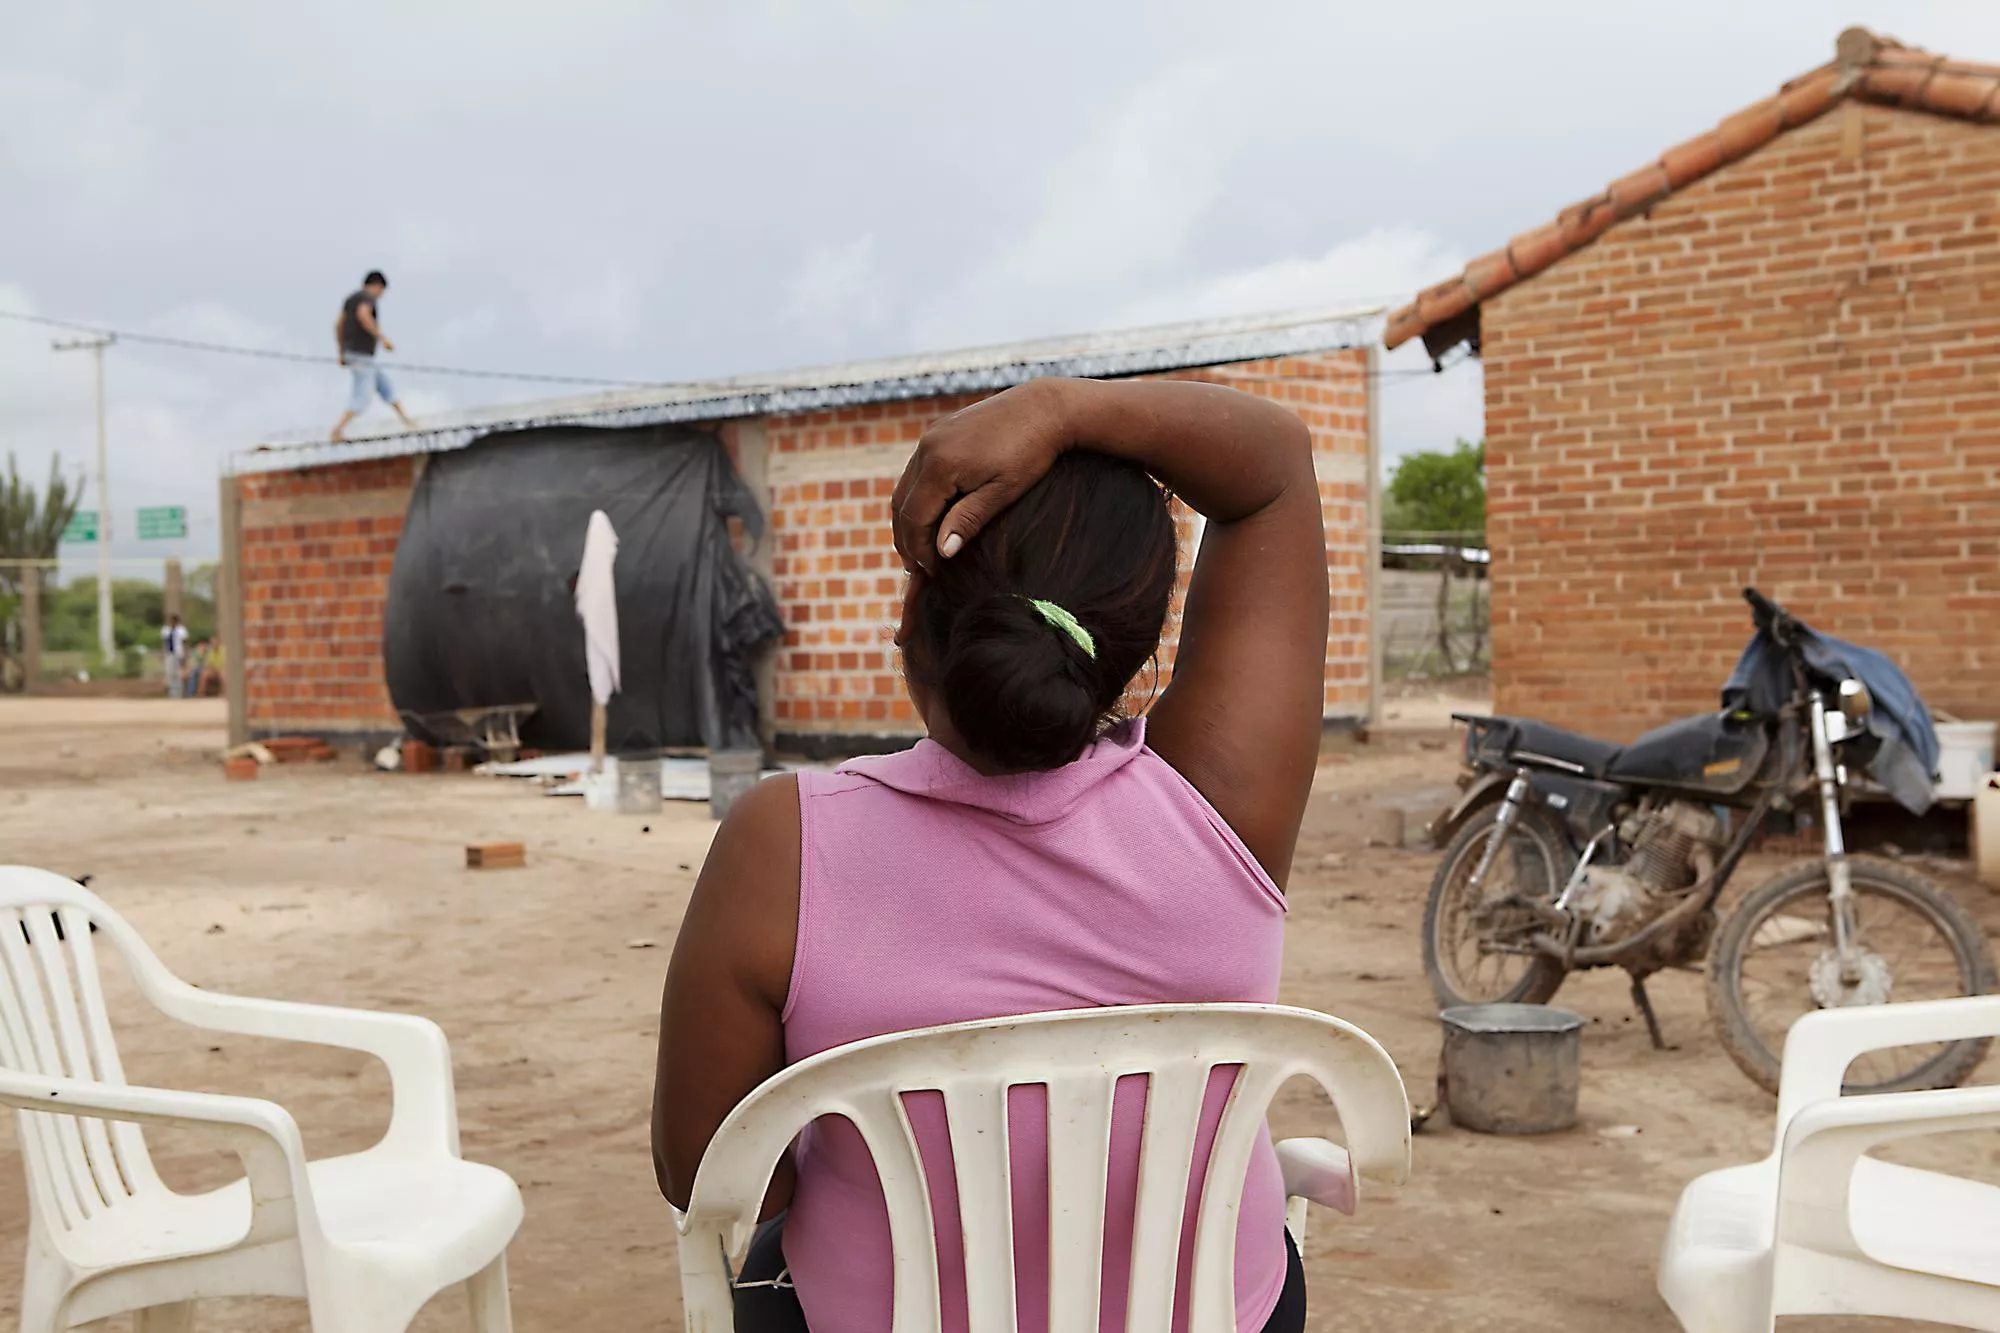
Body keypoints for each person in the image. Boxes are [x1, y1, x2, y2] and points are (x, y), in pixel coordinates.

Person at [654, 377, 1329, 1333]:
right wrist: (1062, 408)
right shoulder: (1223, 799)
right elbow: (1271, 467)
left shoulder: (781, 844)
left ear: (913, 618)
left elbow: (716, 1177)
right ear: (1130, 649)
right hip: (1218, 1313)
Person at [330, 270, 416, 441]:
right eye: (382, 291)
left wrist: (341, 351)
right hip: (361, 354)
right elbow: (364, 316)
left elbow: (338, 325)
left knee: (385, 386)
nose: (381, 296)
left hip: (355, 354)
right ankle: (337, 431)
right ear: (377, 286)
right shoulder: (367, 298)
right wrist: (383, 339)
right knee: (362, 395)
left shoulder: (351, 299)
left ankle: (407, 421)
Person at [159, 614, 188, 699]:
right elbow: (164, 643)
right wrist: (162, 653)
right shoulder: (165, 630)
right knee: (169, 673)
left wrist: (185, 655)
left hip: (179, 653)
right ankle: (171, 693)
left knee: (178, 673)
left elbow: (185, 643)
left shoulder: (181, 630)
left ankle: (179, 693)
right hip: (169, 653)